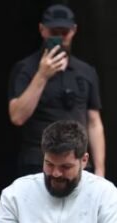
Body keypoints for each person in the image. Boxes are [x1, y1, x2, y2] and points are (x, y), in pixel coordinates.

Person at [8, 4, 105, 177]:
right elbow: (17, 116)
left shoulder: (86, 71)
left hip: (77, 162)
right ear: (42, 30)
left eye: (64, 32)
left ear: (74, 30)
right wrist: (42, 75)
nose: (59, 38)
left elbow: (94, 122)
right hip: (38, 162)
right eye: (54, 32)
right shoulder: (26, 69)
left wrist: (99, 169)